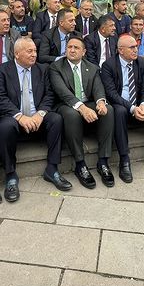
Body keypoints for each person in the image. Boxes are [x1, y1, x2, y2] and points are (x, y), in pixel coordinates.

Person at [0, 38, 71, 196]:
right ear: (16, 54)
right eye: (29, 51)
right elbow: (0, 98)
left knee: (56, 119)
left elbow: (50, 95)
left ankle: (52, 168)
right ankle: (10, 175)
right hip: (14, 116)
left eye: (35, 51)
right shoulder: (3, 70)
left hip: (37, 116)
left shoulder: (42, 69)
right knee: (5, 126)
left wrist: (40, 114)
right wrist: (20, 116)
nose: (34, 54)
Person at [100, 36, 144, 180]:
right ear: (120, 50)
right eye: (131, 47)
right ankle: (124, 159)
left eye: (136, 46)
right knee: (118, 111)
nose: (135, 49)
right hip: (121, 104)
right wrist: (132, 108)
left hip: (139, 103)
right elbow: (111, 93)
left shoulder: (142, 62)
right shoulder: (109, 65)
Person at [49, 35, 115, 189]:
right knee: (72, 114)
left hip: (87, 102)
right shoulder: (56, 67)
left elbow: (98, 88)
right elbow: (62, 92)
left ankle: (103, 161)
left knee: (109, 110)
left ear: (84, 52)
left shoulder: (91, 67)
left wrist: (100, 102)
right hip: (65, 104)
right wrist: (82, 108)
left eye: (76, 48)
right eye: (69, 47)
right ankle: (80, 164)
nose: (71, 50)